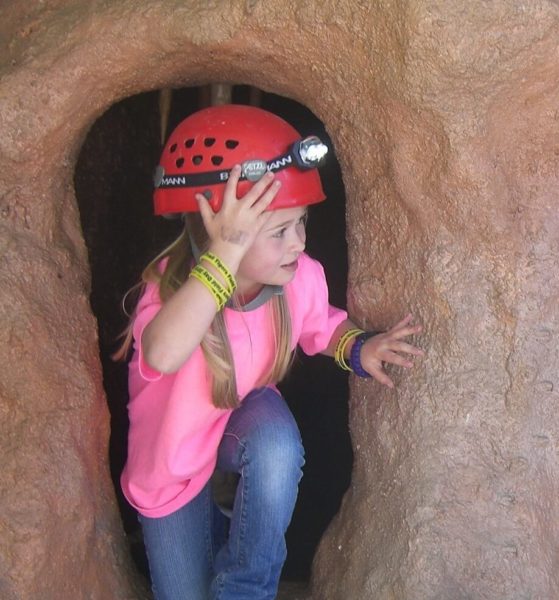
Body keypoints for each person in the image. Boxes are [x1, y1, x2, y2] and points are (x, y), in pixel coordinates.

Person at [115, 104, 423, 599]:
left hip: (240, 421)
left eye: (300, 223)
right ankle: (215, 529)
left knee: (277, 446)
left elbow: (322, 326)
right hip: (170, 467)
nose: (298, 242)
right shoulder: (170, 293)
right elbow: (164, 353)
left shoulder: (297, 280)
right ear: (215, 234)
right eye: (278, 231)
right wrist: (227, 253)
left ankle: (246, 588)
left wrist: (360, 348)